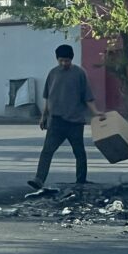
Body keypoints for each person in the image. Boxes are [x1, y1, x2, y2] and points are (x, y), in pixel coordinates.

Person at [28, 44, 105, 191]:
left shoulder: (80, 74)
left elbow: (88, 97)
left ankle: (81, 181)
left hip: (75, 122)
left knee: (79, 152)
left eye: (67, 61)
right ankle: (39, 179)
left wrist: (96, 112)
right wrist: (44, 116)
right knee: (47, 151)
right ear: (57, 59)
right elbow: (48, 98)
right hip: (56, 121)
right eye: (61, 60)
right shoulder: (52, 74)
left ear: (71, 59)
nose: (64, 63)